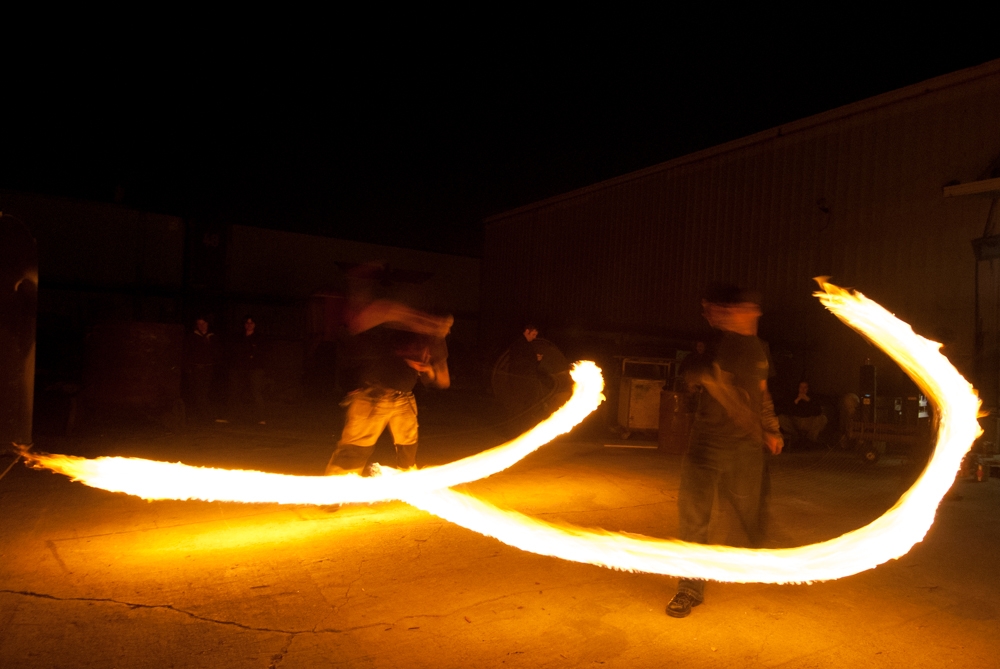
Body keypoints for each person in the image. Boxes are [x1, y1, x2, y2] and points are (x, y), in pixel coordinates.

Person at [666, 284, 783, 618]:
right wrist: (758, 427)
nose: (728, 315)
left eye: (735, 309)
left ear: (751, 311)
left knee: (750, 511)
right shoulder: (717, 346)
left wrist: (770, 428)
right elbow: (726, 396)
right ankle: (689, 588)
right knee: (694, 516)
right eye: (725, 310)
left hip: (745, 447)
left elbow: (762, 392)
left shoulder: (760, 349)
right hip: (708, 443)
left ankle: (761, 558)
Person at [325, 299, 452, 475]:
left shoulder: (437, 343)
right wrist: (406, 352)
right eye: (442, 324)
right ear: (430, 319)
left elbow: (444, 381)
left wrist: (429, 370)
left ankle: (405, 483)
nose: (446, 330)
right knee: (356, 447)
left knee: (408, 446)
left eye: (448, 326)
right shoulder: (402, 328)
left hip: (404, 399)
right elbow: (378, 313)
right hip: (373, 395)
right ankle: (334, 491)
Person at [228, 315, 267, 425]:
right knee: (236, 392)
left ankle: (261, 417)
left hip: (255, 368)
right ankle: (234, 416)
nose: (249, 325)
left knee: (256, 392)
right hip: (240, 368)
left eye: (251, 323)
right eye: (247, 323)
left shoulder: (259, 337)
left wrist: (252, 356)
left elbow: (261, 353)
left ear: (255, 325)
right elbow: (235, 351)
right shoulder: (239, 337)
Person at [184, 315, 218, 423]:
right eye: (199, 324)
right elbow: (187, 352)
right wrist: (189, 367)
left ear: (207, 324)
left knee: (204, 392)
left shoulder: (212, 336)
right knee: (198, 392)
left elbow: (216, 352)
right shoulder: (193, 336)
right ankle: (205, 415)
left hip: (208, 368)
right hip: (196, 367)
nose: (201, 326)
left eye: (203, 323)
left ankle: (207, 415)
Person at [778, 381, 828, 445]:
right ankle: (795, 437)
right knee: (780, 418)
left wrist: (808, 400)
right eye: (801, 387)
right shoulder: (792, 397)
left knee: (823, 418)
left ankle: (810, 439)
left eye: (805, 387)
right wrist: (796, 401)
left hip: (808, 421)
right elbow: (786, 411)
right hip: (796, 421)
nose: (803, 389)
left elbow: (818, 411)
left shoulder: (812, 398)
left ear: (808, 388)